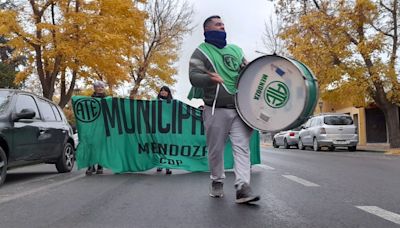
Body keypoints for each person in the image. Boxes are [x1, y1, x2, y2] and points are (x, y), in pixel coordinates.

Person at [188, 16, 260, 203]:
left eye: (223, 24)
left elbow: (248, 70)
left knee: (242, 148)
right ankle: (217, 180)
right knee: (216, 150)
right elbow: (194, 77)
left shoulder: (236, 50)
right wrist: (210, 78)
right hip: (215, 109)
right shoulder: (201, 52)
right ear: (207, 30)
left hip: (239, 109)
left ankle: (242, 187)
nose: (222, 27)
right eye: (218, 25)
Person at [86, 81, 107, 176]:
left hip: (103, 126)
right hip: (92, 125)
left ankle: (100, 165)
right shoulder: (90, 100)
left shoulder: (108, 100)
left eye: (101, 87)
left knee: (101, 145)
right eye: (98, 87)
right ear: (94, 88)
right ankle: (90, 165)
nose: (100, 88)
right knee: (91, 145)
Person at [156, 86, 173, 175]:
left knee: (167, 147)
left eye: (165, 90)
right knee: (159, 147)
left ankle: (167, 167)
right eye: (161, 90)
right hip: (158, 128)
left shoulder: (172, 103)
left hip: (168, 129)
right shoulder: (155, 102)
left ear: (168, 92)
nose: (162, 92)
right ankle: (160, 164)